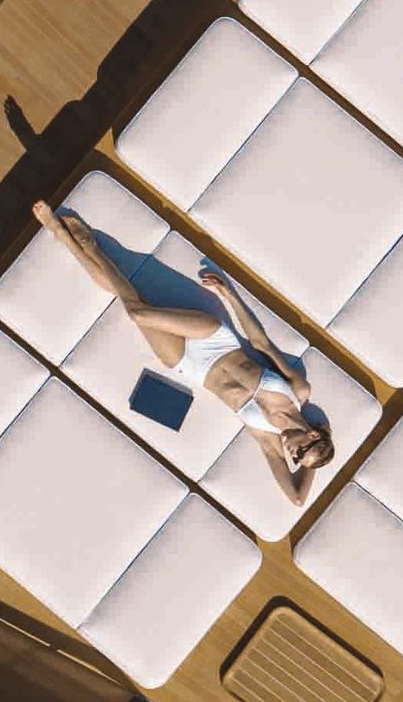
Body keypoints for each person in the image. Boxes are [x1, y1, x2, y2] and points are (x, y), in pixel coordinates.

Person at [31, 199, 339, 503]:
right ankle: (84, 243)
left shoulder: (268, 439)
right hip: (215, 340)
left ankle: (73, 242)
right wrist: (229, 293)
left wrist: (316, 458)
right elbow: (261, 343)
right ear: (310, 435)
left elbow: (297, 498)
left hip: (191, 367)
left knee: (130, 306)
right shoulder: (298, 390)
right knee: (138, 311)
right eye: (301, 451)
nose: (293, 455)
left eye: (297, 459)